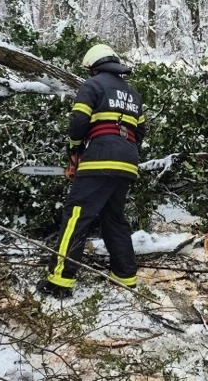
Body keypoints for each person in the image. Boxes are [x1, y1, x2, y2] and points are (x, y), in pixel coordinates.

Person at [37, 44, 146, 298]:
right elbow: (140, 132)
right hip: (128, 162)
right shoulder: (133, 93)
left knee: (76, 216)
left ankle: (60, 280)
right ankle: (125, 276)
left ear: (94, 67)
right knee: (114, 218)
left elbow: (78, 122)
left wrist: (75, 151)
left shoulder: (92, 86)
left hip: (99, 159)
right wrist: (121, 148)